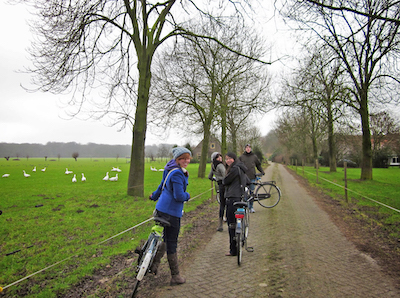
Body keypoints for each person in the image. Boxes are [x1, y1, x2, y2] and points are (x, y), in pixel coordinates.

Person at [149, 147, 191, 285]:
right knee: (171, 242)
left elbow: (162, 186)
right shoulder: (178, 174)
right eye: (183, 158)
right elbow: (179, 196)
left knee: (165, 238)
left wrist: (154, 196)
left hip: (161, 209)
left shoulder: (168, 169)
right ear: (177, 160)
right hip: (172, 213)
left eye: (188, 158)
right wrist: (188, 196)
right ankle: (175, 276)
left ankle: (153, 264)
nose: (186, 161)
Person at [222, 152, 249, 256]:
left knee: (231, 224)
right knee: (239, 221)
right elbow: (247, 181)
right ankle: (241, 239)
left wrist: (224, 180)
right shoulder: (241, 168)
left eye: (229, 159)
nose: (228, 161)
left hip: (232, 198)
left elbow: (226, 181)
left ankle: (233, 249)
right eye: (226, 159)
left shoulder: (234, 169)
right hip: (241, 197)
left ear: (234, 159)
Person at [239, 144, 265, 213]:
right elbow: (238, 166)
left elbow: (258, 165)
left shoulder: (254, 157)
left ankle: (251, 207)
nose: (248, 149)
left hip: (252, 177)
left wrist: (262, 171)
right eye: (246, 148)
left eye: (249, 148)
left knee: (252, 193)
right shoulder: (241, 157)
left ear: (251, 149)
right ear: (245, 149)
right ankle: (245, 207)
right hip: (244, 178)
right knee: (245, 194)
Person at [208, 152, 226, 232]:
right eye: (218, 157)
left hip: (219, 186)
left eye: (220, 156)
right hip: (225, 186)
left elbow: (210, 176)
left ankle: (220, 225)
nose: (220, 158)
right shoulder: (220, 165)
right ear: (215, 159)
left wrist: (215, 179)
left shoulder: (213, 166)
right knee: (228, 203)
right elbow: (225, 176)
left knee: (222, 205)